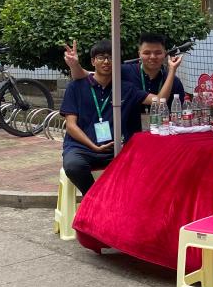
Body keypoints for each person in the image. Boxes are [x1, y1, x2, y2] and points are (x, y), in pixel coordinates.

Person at [60, 39, 181, 194]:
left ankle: (119, 201)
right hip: (80, 148)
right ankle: (95, 199)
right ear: (93, 61)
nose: (106, 61)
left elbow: (159, 100)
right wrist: (93, 146)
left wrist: (172, 70)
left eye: (111, 58)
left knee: (147, 166)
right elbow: (71, 126)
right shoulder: (75, 87)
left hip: (115, 149)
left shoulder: (126, 89)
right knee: (74, 166)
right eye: (101, 57)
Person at [64, 33, 186, 134]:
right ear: (139, 54)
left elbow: (176, 114)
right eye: (147, 53)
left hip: (163, 136)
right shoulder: (124, 71)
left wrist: (172, 71)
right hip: (130, 138)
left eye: (158, 53)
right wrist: (74, 65)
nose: (152, 57)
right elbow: (88, 75)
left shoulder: (174, 82)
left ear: (165, 53)